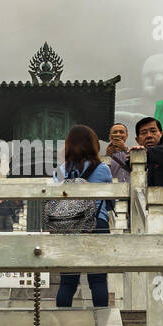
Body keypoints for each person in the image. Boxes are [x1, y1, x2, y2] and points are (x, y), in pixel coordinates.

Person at [51, 125, 112, 308]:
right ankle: (102, 321)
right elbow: (110, 200)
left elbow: (54, 196)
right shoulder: (102, 168)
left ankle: (62, 323)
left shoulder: (60, 170)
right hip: (96, 224)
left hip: (68, 225)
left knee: (67, 281)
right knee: (98, 279)